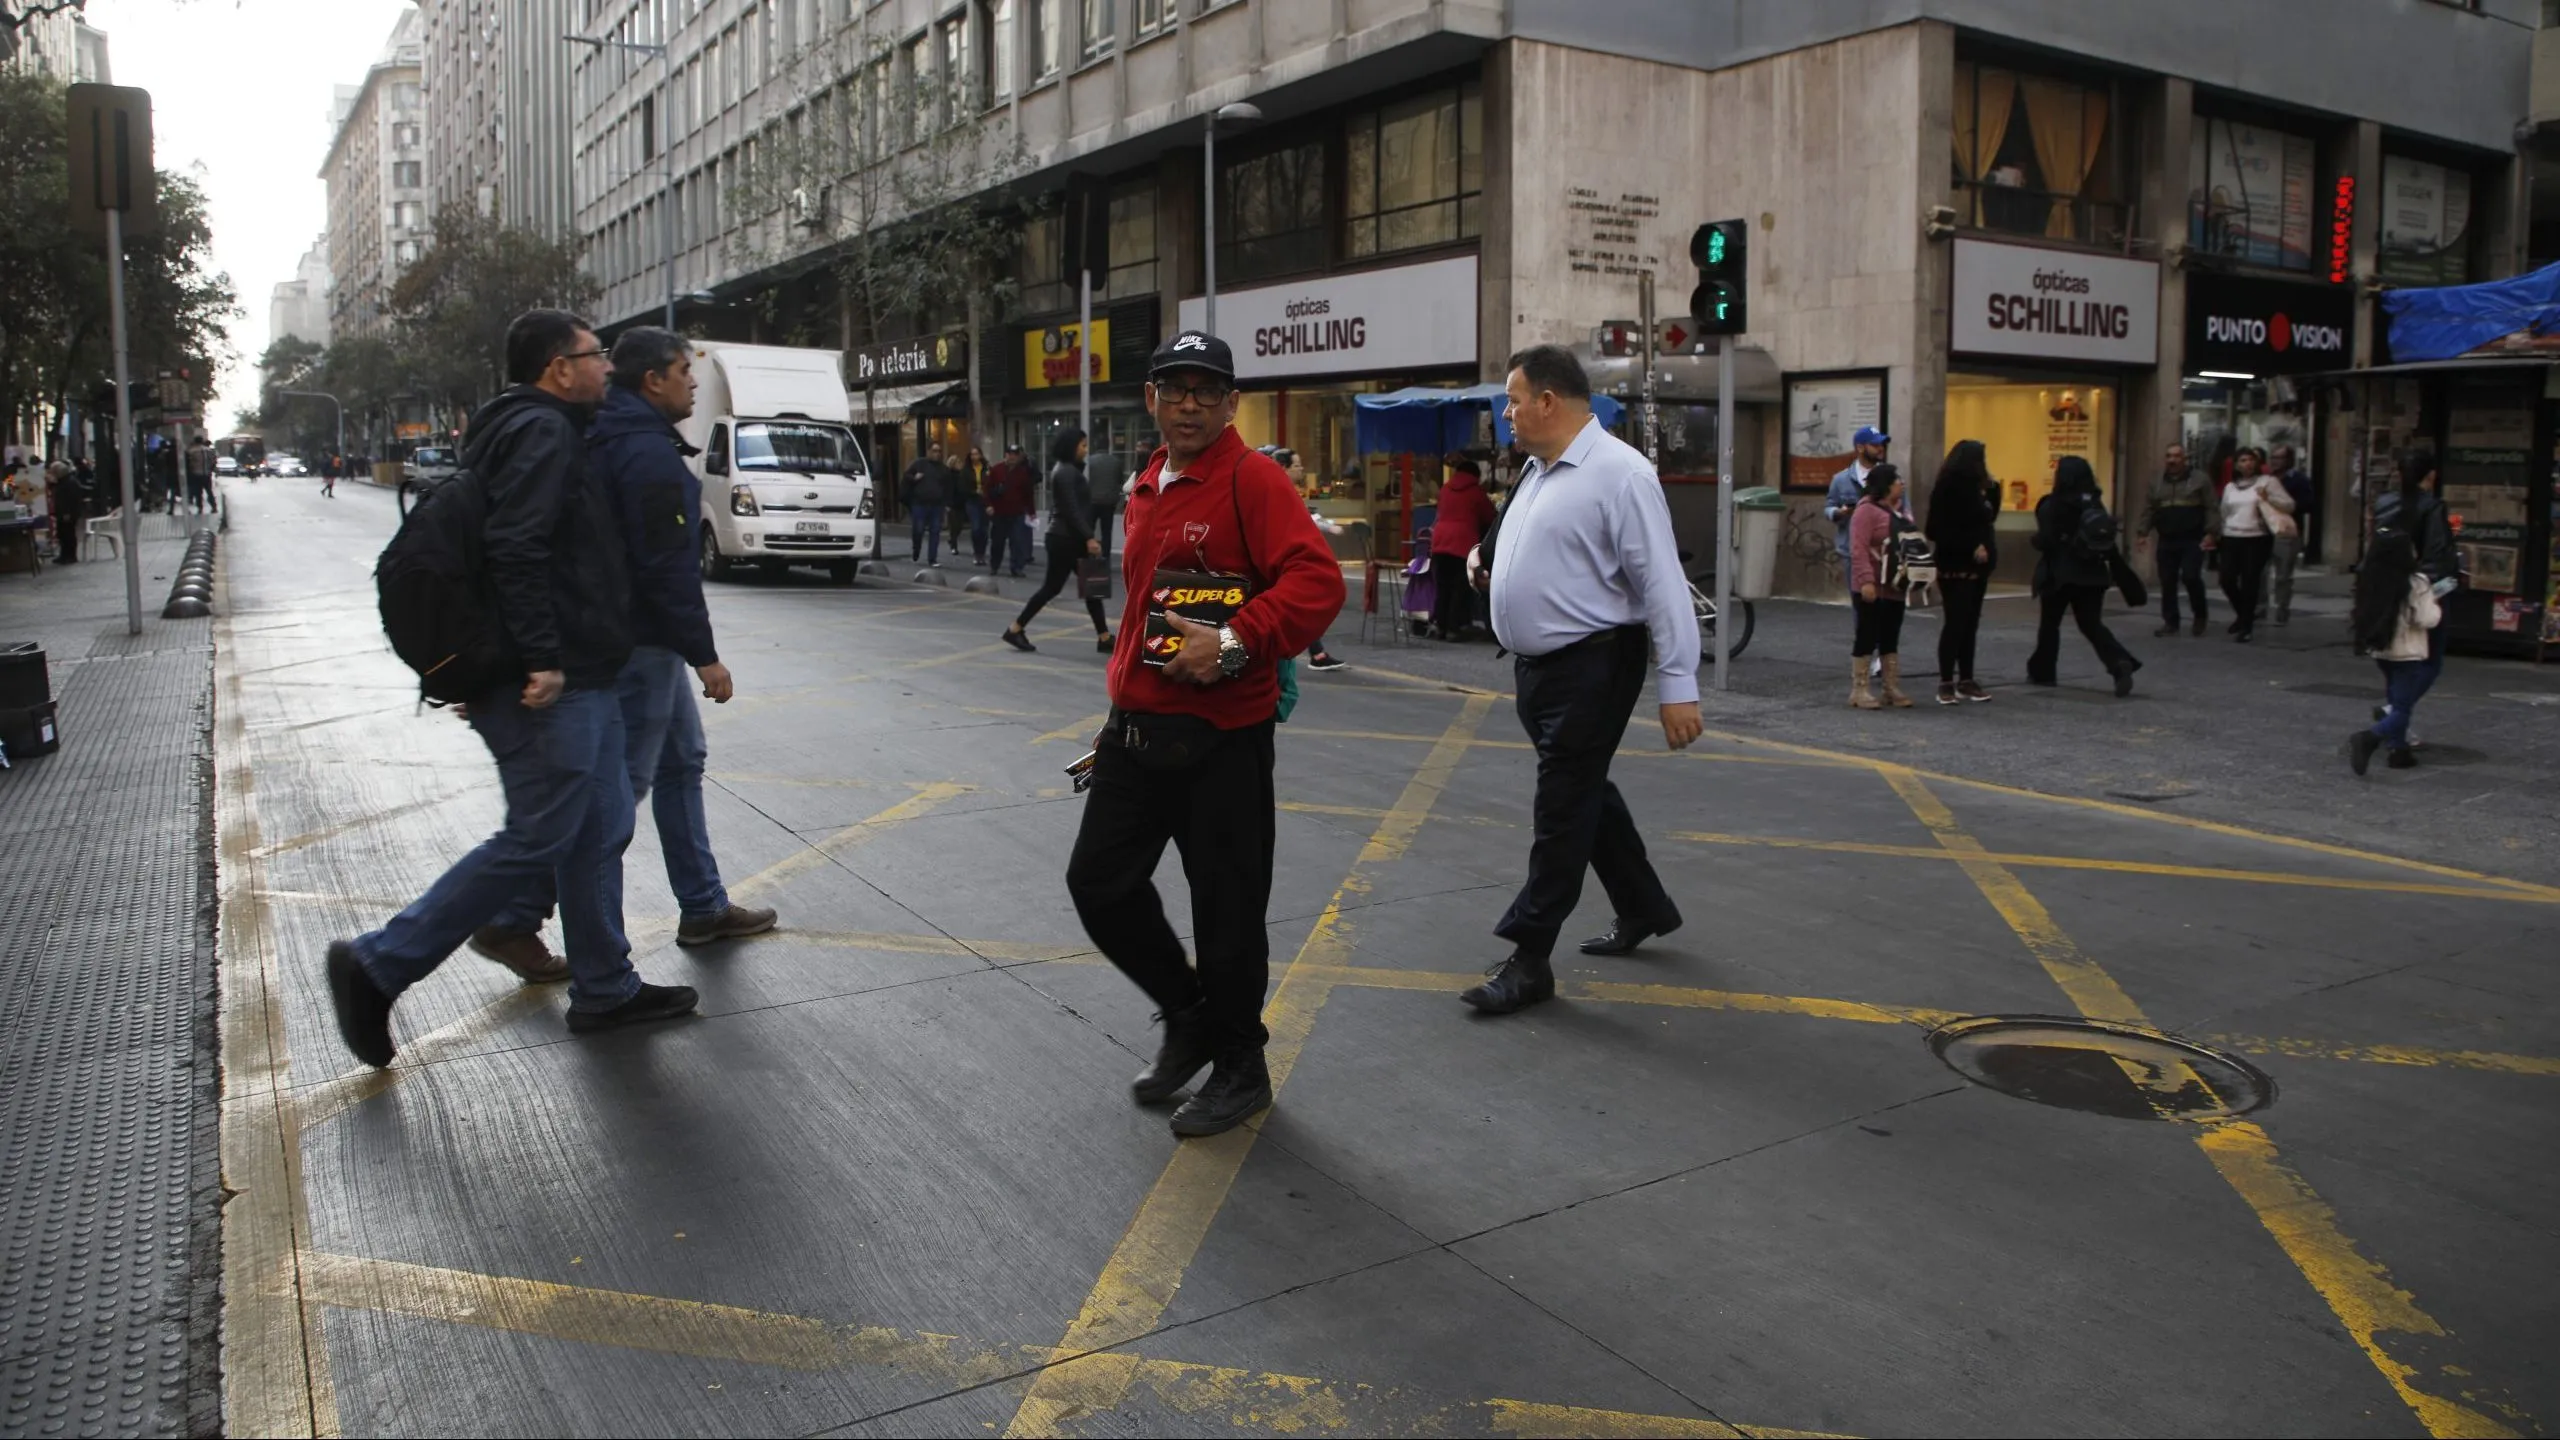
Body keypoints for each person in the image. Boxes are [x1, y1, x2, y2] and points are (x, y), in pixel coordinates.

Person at [322, 309, 697, 1068]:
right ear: (560, 368)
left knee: (592, 830)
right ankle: (381, 962)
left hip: (580, 670)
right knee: (541, 833)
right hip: (552, 682)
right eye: (597, 357)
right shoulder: (543, 432)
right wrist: (536, 659)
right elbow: (517, 549)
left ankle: (606, 986)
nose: (607, 369)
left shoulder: (538, 428)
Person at [1064, 330, 1344, 1138]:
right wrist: (1120, 701)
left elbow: (1317, 583)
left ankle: (1240, 1066)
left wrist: (1230, 644)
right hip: (1136, 734)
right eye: (1173, 387)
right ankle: (1188, 1015)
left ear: (1229, 403)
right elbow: (1146, 610)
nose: (1188, 403)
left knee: (1227, 912)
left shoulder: (1251, 480)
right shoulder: (1148, 481)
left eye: (1205, 390)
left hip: (1223, 740)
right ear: (1151, 398)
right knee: (1099, 884)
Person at [467, 326, 779, 983]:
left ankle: (702, 905)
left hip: (632, 637)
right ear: (654, 382)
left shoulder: (603, 431)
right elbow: (665, 569)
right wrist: (704, 655)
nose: (693, 382)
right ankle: (528, 923)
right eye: (681, 371)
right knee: (608, 805)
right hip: (640, 643)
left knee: (680, 763)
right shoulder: (641, 450)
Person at [1465, 343, 1700, 1018]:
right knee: (1585, 790)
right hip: (1538, 671)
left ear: (1548, 400)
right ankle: (1644, 906)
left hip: (1593, 663)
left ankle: (1529, 956)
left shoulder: (1620, 473)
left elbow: (1661, 584)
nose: (1504, 413)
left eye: (1512, 399)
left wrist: (1678, 684)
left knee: (1562, 806)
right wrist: (1490, 566)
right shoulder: (1538, 471)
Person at [2026, 455, 2139, 697]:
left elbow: (2046, 540)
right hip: (2093, 574)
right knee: (2091, 623)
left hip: (2060, 573)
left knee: (2050, 624)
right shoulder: (2095, 505)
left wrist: (2035, 541)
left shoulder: (2052, 505)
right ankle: (2118, 662)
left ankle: (2044, 671)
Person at [1001, 426, 1114, 654]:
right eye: (1082, 445)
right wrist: (1089, 537)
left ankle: (1103, 637)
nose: (1086, 449)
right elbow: (1071, 510)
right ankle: (1015, 629)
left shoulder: (1067, 470)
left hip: (1067, 538)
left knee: (1088, 587)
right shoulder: (1065, 472)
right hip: (1066, 539)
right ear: (1071, 447)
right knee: (1061, 587)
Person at [2346, 527, 2441, 776]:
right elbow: (2427, 619)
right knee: (2401, 709)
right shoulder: (2416, 582)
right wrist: (2436, 604)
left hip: (2382, 650)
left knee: (2395, 699)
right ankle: (2369, 738)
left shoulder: (2371, 577)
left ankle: (2398, 749)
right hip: (2408, 651)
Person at [1922, 441, 1999, 704]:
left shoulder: (1982, 489)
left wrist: (1992, 491)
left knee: (1971, 623)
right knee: (1956, 621)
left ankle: (1967, 678)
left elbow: (1988, 521)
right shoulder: (1948, 488)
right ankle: (1946, 680)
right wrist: (1970, 545)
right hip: (1955, 564)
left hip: (1978, 567)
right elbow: (1934, 529)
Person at [1848, 464, 1915, 709]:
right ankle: (1860, 689)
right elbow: (1858, 548)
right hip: (1872, 585)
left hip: (1894, 586)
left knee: (1890, 636)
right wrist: (1866, 580)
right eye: (1897, 479)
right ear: (1885, 484)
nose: (1902, 483)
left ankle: (1890, 686)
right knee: (1866, 634)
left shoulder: (1899, 512)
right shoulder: (1865, 511)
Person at [2215, 445, 2293, 644]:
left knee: (2251, 581)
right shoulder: (2230, 487)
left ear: (2257, 463)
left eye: (2250, 459)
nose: (2247, 463)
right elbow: (2224, 512)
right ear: (2236, 465)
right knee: (2227, 579)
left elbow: (2289, 505)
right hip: (2232, 535)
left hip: (2257, 537)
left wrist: (2269, 498)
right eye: (2242, 460)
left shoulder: (2268, 482)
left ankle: (2246, 626)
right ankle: (2243, 615)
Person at [2139, 441, 2215, 637]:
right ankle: (2170, 621)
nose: (2172, 460)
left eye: (2176, 456)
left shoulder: (2200, 480)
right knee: (2167, 580)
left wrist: (2211, 532)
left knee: (2191, 577)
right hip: (2167, 538)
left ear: (2185, 458)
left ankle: (2200, 616)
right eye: (2169, 456)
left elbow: (2211, 508)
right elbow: (2149, 509)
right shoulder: (2157, 482)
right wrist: (2142, 532)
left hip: (2192, 538)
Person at [1428, 457, 1496, 640]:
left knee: (1442, 587)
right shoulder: (1476, 492)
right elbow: (1490, 517)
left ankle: (1439, 626)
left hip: (1440, 541)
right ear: (1475, 475)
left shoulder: (1445, 488)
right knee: (1459, 587)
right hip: (1462, 542)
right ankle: (1453, 628)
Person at [1825, 426, 1888, 597]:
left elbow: (1905, 510)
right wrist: (1838, 512)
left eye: (1882, 444)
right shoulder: (1841, 479)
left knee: (1885, 602)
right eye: (1875, 445)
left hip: (1885, 551)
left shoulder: (1890, 477)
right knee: (1860, 599)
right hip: (1852, 549)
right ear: (1860, 448)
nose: (1880, 448)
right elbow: (1829, 506)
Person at [2266, 443, 2314, 626]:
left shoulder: (2298, 480)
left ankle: (2281, 608)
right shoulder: (2266, 479)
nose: (2275, 462)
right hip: (2265, 530)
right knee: (2260, 572)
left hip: (2287, 531)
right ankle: (2259, 608)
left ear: (2288, 460)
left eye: (2279, 458)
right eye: (2273, 458)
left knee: (2283, 574)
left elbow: (2309, 504)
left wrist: (2286, 505)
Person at [984, 443, 1037, 577]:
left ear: (1019, 457)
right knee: (997, 542)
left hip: (1017, 513)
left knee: (1017, 541)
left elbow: (1028, 494)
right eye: (1010, 454)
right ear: (1005, 455)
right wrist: (988, 505)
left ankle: (1017, 567)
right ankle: (994, 566)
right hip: (999, 513)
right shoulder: (996, 470)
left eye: (1015, 455)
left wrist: (1032, 512)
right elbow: (987, 490)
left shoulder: (1023, 473)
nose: (1012, 457)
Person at [901, 443, 953, 565]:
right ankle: (916, 548)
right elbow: (906, 475)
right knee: (918, 530)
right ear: (929, 451)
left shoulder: (943, 469)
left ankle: (932, 559)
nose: (937, 454)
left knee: (935, 531)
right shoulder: (919, 464)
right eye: (934, 451)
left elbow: (948, 487)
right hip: (919, 503)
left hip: (937, 505)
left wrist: (948, 504)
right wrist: (914, 478)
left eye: (939, 451)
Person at [1086, 443, 1127, 561]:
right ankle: (1105, 556)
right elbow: (1120, 481)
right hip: (1108, 502)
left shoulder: (1089, 461)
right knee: (1106, 531)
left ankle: (1089, 555)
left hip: (1092, 501)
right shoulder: (1115, 461)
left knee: (1089, 530)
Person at [953, 444, 989, 564]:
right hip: (972, 501)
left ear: (981, 455)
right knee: (976, 527)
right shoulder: (966, 470)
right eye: (972, 454)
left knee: (984, 529)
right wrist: (974, 492)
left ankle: (982, 553)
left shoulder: (987, 468)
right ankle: (976, 552)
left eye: (976, 454)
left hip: (984, 501)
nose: (975, 456)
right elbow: (962, 487)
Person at [46, 460, 82, 564]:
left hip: (67, 513)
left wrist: (68, 513)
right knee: (62, 534)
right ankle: (64, 555)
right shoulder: (64, 481)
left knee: (68, 534)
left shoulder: (69, 482)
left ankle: (70, 556)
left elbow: (71, 500)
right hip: (63, 512)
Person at [184, 438, 214, 513]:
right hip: (207, 474)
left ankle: (200, 507)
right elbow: (213, 461)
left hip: (196, 474)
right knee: (209, 491)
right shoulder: (209, 450)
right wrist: (210, 469)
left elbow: (189, 462)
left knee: (198, 492)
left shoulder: (192, 451)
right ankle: (214, 506)